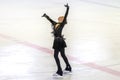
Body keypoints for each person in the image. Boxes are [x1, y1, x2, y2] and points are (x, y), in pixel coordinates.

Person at [42, 3, 72, 77]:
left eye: (61, 18)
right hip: (59, 41)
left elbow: (66, 15)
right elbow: (50, 20)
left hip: (59, 42)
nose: (60, 18)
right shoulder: (56, 24)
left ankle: (59, 71)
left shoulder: (61, 24)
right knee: (62, 55)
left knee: (56, 56)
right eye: (60, 17)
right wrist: (46, 16)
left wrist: (67, 8)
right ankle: (69, 68)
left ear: (63, 20)